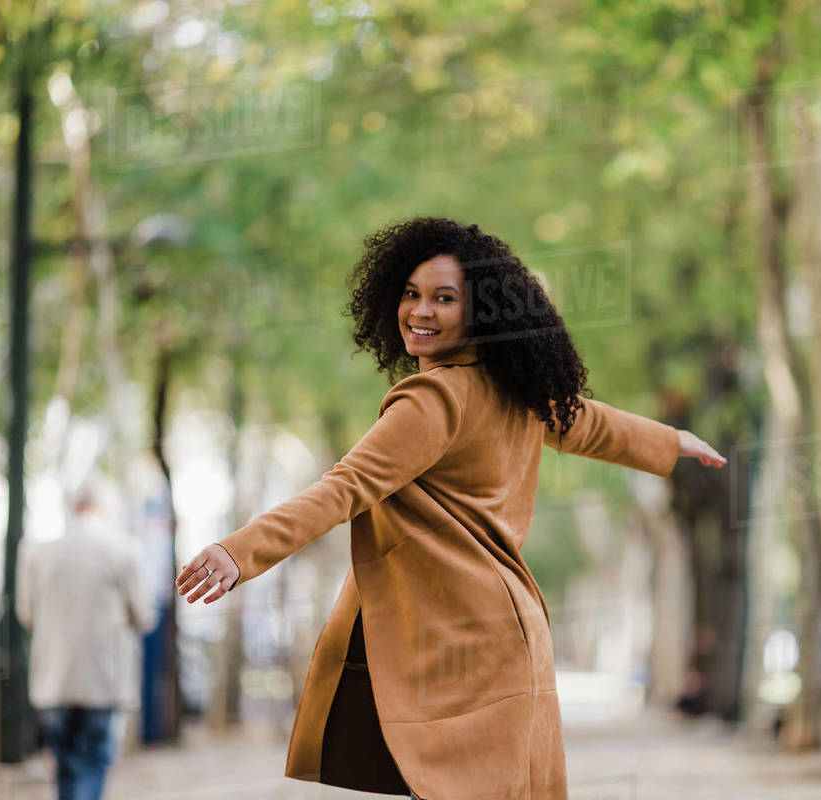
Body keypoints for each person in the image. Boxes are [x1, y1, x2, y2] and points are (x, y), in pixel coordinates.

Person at [176, 217, 726, 799]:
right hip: (511, 632)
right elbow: (583, 420)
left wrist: (240, 552)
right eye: (411, 294)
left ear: (481, 314)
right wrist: (670, 441)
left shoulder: (435, 397)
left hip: (456, 639)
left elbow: (344, 488)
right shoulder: (516, 390)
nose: (420, 311)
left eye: (444, 298)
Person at [17, 483, 156, 800]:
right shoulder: (124, 549)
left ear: (73, 507)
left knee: (66, 767)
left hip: (53, 681)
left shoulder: (37, 552)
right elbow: (143, 616)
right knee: (93, 763)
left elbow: (25, 614)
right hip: (102, 680)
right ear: (103, 508)